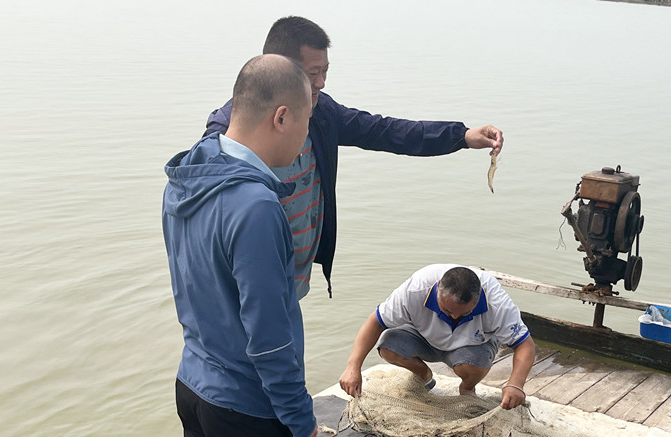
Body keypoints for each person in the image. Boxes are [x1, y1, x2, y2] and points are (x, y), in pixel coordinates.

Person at [203, 16, 505, 300]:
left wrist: (461, 136)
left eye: (325, 72)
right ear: (280, 69)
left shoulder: (321, 113)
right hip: (243, 287)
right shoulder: (227, 136)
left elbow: (383, 130)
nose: (321, 82)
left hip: (292, 280)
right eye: (313, 74)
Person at [162, 54, 318, 437]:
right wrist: (298, 415)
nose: (307, 136)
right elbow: (268, 335)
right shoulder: (257, 207)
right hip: (248, 406)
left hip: (194, 383)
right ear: (282, 118)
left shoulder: (185, 179)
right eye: (307, 121)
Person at [339, 264, 536, 410]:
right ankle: (424, 375)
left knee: (476, 364)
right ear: (438, 288)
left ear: (479, 299)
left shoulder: (498, 304)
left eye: (464, 313)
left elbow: (525, 344)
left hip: (472, 346)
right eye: (448, 310)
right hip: (424, 337)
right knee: (388, 346)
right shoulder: (415, 289)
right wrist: (352, 367)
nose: (454, 317)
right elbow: (376, 321)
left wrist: (515, 384)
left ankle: (467, 389)